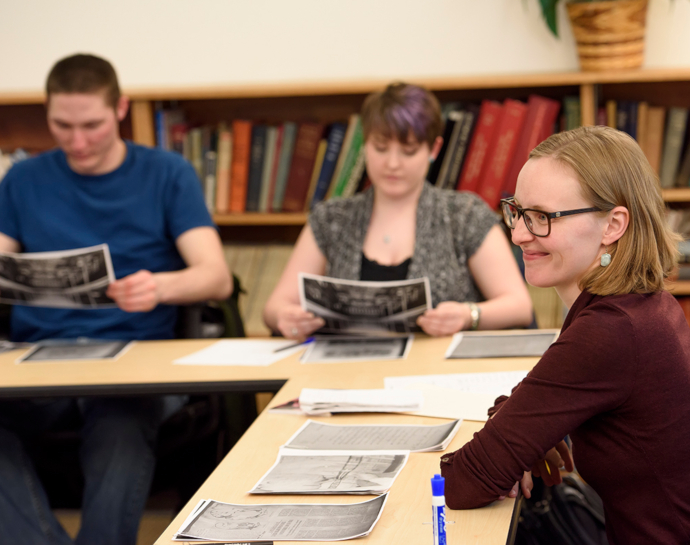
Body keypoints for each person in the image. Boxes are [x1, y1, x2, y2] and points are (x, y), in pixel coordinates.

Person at [0, 54, 232, 545]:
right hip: (40, 364)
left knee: (120, 427)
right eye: (62, 125)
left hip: (134, 365)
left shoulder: (167, 173)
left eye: (92, 125)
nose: (78, 142)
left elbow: (216, 278)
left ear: (121, 109)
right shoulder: (22, 179)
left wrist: (161, 286)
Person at [440, 126, 690, 544]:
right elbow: (527, 403)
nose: (519, 233)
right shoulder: (638, 305)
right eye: (517, 211)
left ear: (613, 224)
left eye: (543, 217)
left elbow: (465, 481)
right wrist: (526, 436)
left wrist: (516, 440)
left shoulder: (612, 330)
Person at [263, 83, 533, 339]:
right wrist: (286, 317)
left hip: (437, 373)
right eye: (380, 148)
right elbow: (274, 308)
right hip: (348, 374)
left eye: (408, 151)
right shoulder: (331, 218)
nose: (392, 163)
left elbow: (519, 306)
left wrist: (468, 315)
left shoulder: (464, 214)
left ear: (434, 149)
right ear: (365, 144)